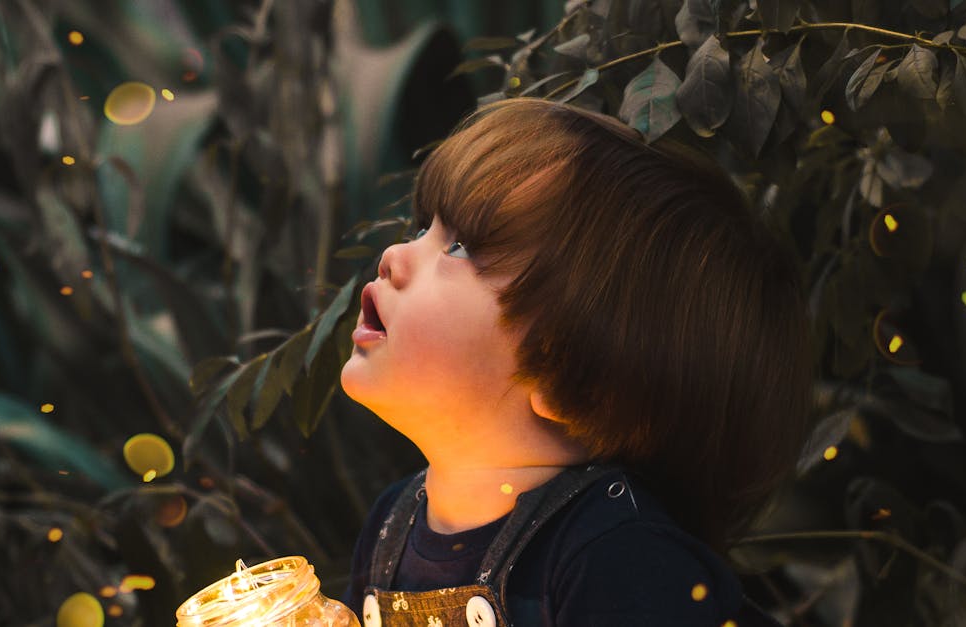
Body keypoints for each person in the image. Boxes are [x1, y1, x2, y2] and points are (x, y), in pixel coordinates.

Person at [340, 97, 812, 627]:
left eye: (460, 248)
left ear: (572, 381)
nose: (395, 256)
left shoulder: (617, 559)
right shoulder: (390, 529)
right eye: (425, 227)